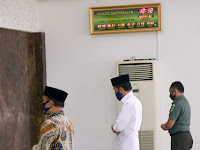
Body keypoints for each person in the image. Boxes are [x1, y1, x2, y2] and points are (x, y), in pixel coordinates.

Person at [32, 86, 74, 150]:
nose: (42, 104)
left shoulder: (50, 123)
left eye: (43, 101)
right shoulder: (69, 122)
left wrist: (35, 148)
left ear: (50, 104)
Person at [110, 74, 142, 150]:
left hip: (126, 144)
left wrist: (113, 127)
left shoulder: (128, 103)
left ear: (121, 90)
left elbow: (119, 127)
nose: (115, 93)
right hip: (132, 142)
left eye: (115, 90)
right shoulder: (136, 101)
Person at [161, 81, 193, 150]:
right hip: (186, 136)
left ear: (175, 91)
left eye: (170, 92)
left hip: (179, 139)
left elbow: (169, 125)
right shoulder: (185, 102)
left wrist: (163, 126)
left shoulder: (177, 104)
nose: (170, 94)